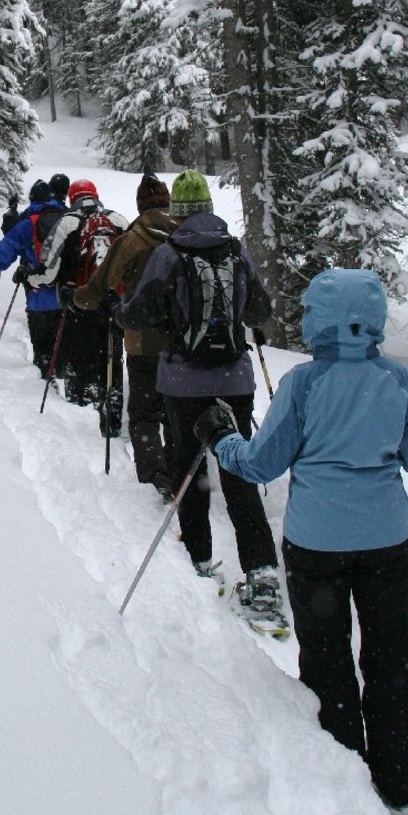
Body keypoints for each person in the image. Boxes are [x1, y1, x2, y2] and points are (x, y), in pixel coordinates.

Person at [192, 267, 408, 815]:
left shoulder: (305, 384)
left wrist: (220, 438)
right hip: (388, 542)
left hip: (316, 547)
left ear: (317, 320)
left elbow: (260, 463)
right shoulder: (396, 380)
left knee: (327, 658)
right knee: (392, 658)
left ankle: (343, 769)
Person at [115, 169, 284, 624]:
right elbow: (260, 309)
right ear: (208, 206)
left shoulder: (169, 255)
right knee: (237, 472)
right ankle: (262, 573)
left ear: (179, 211)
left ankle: (200, 559)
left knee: (189, 470)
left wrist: (123, 311)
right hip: (235, 381)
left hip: (182, 382)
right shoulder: (234, 251)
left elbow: (141, 312)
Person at [61, 171, 176, 497]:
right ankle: (178, 467)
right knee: (172, 409)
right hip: (180, 341)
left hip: (141, 340)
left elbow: (99, 285)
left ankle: (155, 477)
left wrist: (78, 299)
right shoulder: (182, 235)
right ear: (167, 202)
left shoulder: (133, 239)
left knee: (144, 412)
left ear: (140, 205)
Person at [34, 179, 130, 434]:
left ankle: (84, 412)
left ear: (72, 197)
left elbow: (48, 270)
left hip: (79, 304)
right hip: (114, 304)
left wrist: (31, 278)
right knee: (112, 357)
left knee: (81, 357)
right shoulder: (117, 220)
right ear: (96, 196)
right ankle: (113, 409)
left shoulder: (67, 223)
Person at [0, 179, 67, 377]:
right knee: (67, 359)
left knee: (44, 358)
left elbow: (0, 258)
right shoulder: (69, 218)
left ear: (32, 199)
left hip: (39, 300)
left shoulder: (28, 224)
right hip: (70, 299)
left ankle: (47, 391)